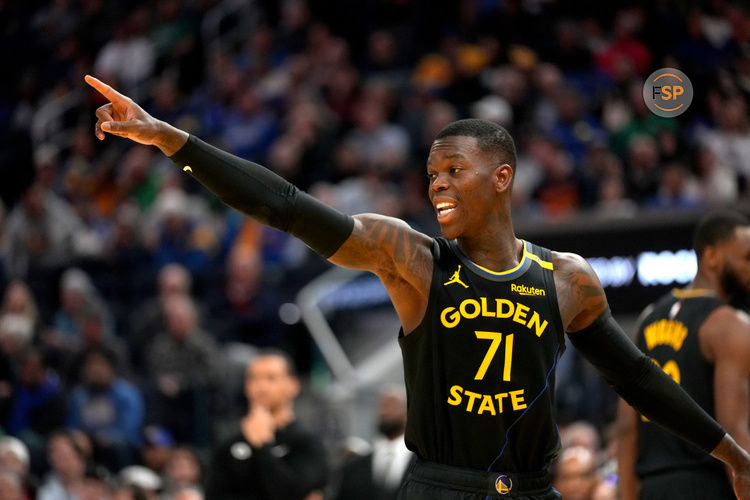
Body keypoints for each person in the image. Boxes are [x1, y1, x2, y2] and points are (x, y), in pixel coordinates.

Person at [85, 75, 750, 500]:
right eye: (431, 174)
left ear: (501, 177)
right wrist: (171, 139)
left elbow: (638, 377)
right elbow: (287, 206)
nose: (436, 185)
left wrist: (731, 452)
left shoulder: (567, 278)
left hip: (532, 489)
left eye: (453, 170)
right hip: (443, 488)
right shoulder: (412, 258)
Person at [617, 210, 750, 500]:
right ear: (712, 257)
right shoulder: (731, 324)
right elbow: (734, 428)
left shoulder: (649, 317)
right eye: (746, 258)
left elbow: (627, 427)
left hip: (653, 487)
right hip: (708, 485)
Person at [204, 350, 328, 499]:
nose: (261, 386)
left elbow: (292, 493)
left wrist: (263, 444)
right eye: (254, 378)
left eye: (271, 378)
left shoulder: (307, 442)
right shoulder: (228, 442)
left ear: (293, 385)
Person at [335, 387, 415, 500]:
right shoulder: (353, 468)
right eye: (382, 405)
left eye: (392, 405)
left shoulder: (422, 466)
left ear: (407, 411)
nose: (385, 411)